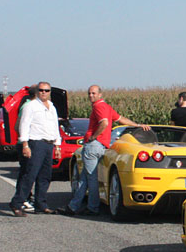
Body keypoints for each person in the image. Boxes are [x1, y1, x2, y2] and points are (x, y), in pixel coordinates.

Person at [60, 85, 150, 216]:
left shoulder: (98, 107)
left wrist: (93, 136)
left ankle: (92, 207)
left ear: (100, 94)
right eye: (89, 93)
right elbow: (120, 119)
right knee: (84, 178)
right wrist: (137, 125)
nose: (91, 96)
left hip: (93, 146)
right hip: (101, 146)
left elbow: (104, 123)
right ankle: (73, 206)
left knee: (90, 178)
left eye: (94, 93)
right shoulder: (107, 107)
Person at [9, 82, 61, 217]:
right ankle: (17, 203)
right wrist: (25, 144)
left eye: (47, 90)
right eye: (41, 90)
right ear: (37, 91)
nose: (44, 92)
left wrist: (57, 145)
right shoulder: (30, 106)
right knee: (30, 174)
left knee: (45, 176)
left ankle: (41, 204)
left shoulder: (52, 107)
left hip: (49, 143)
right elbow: (24, 125)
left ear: (50, 92)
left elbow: (55, 126)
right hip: (35, 143)